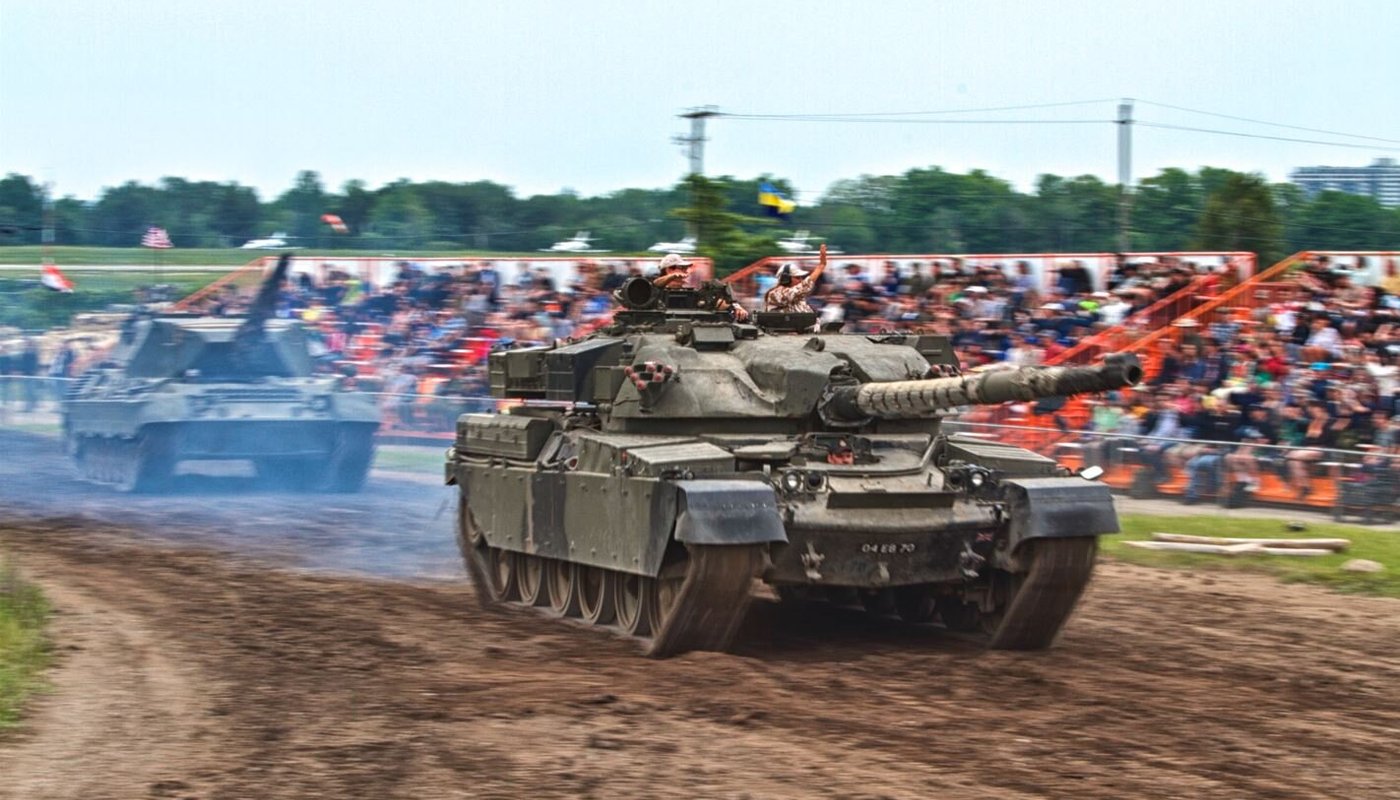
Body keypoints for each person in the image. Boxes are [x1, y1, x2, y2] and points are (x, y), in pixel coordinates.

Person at [764, 245, 827, 313]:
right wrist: (820, 267)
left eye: (801, 278)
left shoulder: (799, 297)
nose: (800, 280)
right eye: (797, 277)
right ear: (786, 278)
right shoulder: (774, 294)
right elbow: (803, 287)